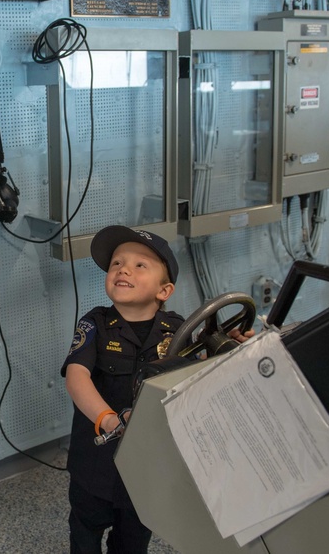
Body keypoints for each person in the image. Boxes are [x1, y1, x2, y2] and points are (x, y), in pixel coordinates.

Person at [61, 225, 252, 553]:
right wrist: (107, 419)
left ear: (164, 291)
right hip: (96, 461)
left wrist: (229, 346)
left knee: (133, 540)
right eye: (117, 263)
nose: (123, 269)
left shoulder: (179, 330)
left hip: (148, 466)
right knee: (85, 531)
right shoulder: (93, 324)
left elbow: (201, 371)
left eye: (139, 265)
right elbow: (76, 376)